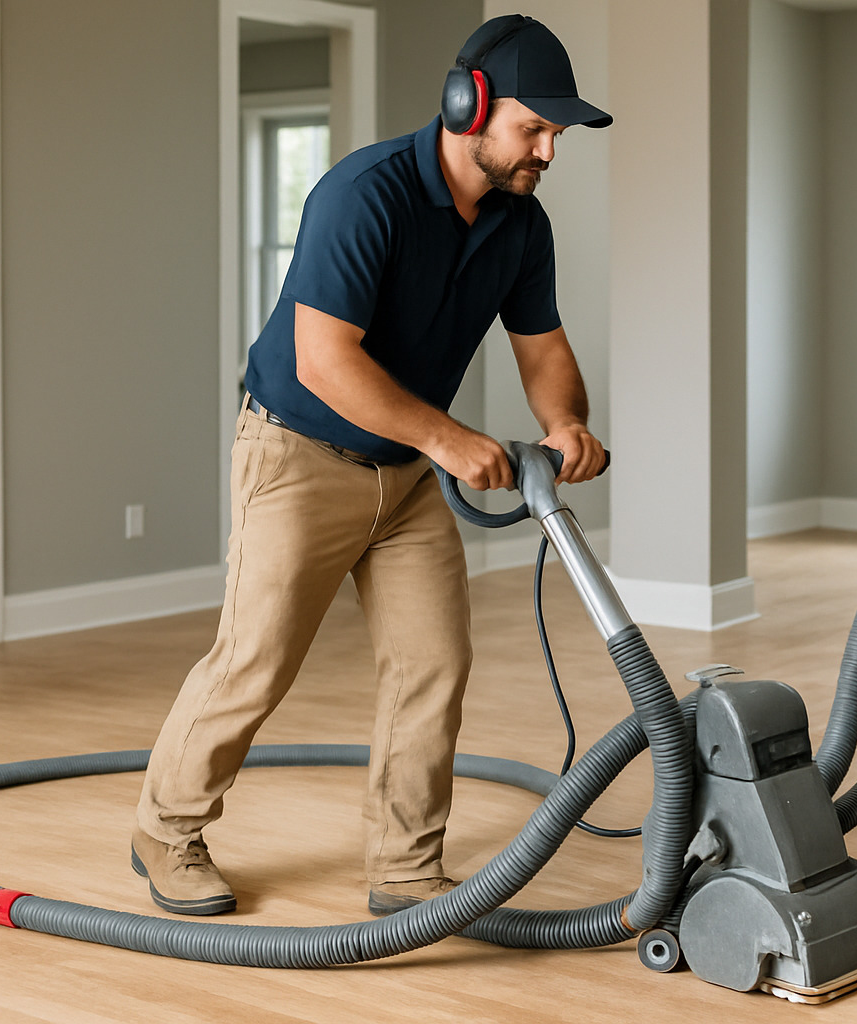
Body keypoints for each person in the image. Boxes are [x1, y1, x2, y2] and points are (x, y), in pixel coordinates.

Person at [130, 14, 610, 918]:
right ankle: (165, 830)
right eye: (534, 127)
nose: (548, 149)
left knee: (433, 663)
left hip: (406, 473)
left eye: (557, 133)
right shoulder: (365, 194)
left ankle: (403, 868)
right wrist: (449, 440)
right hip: (298, 454)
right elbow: (324, 359)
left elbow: (541, 345)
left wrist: (567, 422)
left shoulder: (520, 223)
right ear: (468, 105)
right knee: (256, 662)